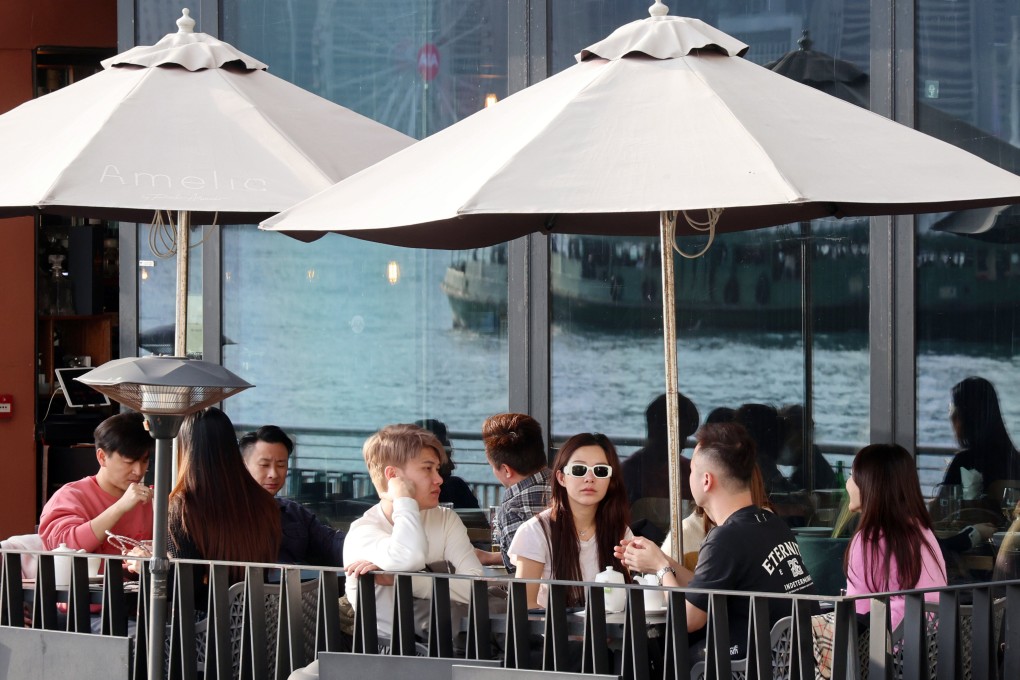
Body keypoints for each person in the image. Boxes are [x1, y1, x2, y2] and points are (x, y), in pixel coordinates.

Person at [617, 422, 816, 660]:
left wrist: (661, 569)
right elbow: (707, 589)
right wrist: (662, 559)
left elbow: (689, 619)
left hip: (749, 665)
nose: (688, 477)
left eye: (691, 470)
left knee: (663, 656)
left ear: (706, 481)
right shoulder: (771, 523)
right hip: (792, 660)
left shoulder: (726, 538)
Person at [342, 424, 483, 640]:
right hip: (385, 654)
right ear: (393, 476)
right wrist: (404, 500)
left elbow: (475, 587)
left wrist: (401, 580)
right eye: (428, 469)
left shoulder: (445, 518)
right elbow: (410, 557)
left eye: (437, 469)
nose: (439, 479)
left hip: (445, 647)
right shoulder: (364, 531)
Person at [509, 432, 632, 609]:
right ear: (561, 478)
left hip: (612, 634)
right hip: (553, 634)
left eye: (601, 471)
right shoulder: (535, 531)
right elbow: (523, 605)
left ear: (610, 480)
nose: (589, 478)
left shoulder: (620, 530)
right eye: (579, 469)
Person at [844, 443, 947, 630]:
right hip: (933, 649)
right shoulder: (922, 530)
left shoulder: (868, 539)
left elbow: (857, 615)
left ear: (870, 484)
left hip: (890, 652)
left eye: (852, 475)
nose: (848, 483)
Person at [168, 409, 281, 573]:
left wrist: (146, 568)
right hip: (252, 598)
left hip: (205, 599)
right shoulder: (264, 502)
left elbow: (185, 585)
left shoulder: (184, 506)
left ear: (185, 449)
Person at [39, 411, 155, 556]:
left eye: (144, 461)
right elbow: (63, 549)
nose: (138, 471)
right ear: (102, 457)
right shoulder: (70, 496)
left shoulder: (148, 502)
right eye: (129, 461)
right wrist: (120, 507)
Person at [239, 425, 345, 566]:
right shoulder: (230, 514)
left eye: (281, 465)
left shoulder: (294, 513)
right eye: (264, 465)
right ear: (243, 466)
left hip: (298, 586)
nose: (274, 474)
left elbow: (331, 543)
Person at [482, 413, 551, 571]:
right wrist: (489, 557)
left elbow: (522, 573)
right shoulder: (568, 485)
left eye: (492, 465)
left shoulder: (514, 509)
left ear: (506, 470)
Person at [940, 377, 1020, 507]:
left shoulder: (963, 463)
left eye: (952, 409)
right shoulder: (1015, 460)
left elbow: (941, 514)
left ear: (963, 417)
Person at [416, 418, 480, 508]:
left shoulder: (458, 488)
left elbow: (479, 521)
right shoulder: (457, 488)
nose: (453, 466)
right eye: (445, 460)